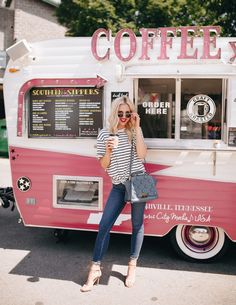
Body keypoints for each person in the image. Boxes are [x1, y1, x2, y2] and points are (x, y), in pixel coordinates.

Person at [80, 96, 147, 292]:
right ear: (114, 113)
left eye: (128, 113)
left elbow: (142, 155)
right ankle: (95, 268)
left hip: (140, 180)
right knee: (104, 225)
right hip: (118, 185)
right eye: (120, 113)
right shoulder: (104, 134)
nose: (124, 116)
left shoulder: (135, 130)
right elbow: (103, 165)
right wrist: (109, 150)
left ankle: (132, 266)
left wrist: (137, 128)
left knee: (137, 225)